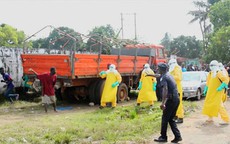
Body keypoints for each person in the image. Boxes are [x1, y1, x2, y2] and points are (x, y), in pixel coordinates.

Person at [154, 63, 182, 143]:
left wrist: (163, 103)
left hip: (170, 100)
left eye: (158, 68)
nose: (157, 69)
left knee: (165, 119)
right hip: (176, 99)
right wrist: (151, 75)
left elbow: (165, 90)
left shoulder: (164, 78)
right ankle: (177, 136)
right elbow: (159, 76)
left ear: (161, 70)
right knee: (171, 119)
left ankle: (163, 137)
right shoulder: (168, 75)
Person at [202, 60, 229, 125]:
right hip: (210, 93)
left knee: (219, 106)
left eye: (213, 65)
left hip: (217, 92)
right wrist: (206, 89)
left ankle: (226, 120)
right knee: (209, 105)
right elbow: (208, 82)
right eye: (210, 65)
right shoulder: (210, 73)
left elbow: (226, 79)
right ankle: (210, 118)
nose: (211, 67)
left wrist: (221, 86)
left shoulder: (218, 72)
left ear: (216, 66)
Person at [168, 58, 184, 123]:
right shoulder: (173, 69)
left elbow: (179, 77)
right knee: (174, 104)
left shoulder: (177, 68)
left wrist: (170, 76)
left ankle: (180, 117)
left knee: (178, 103)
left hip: (177, 88)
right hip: (173, 88)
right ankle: (176, 116)